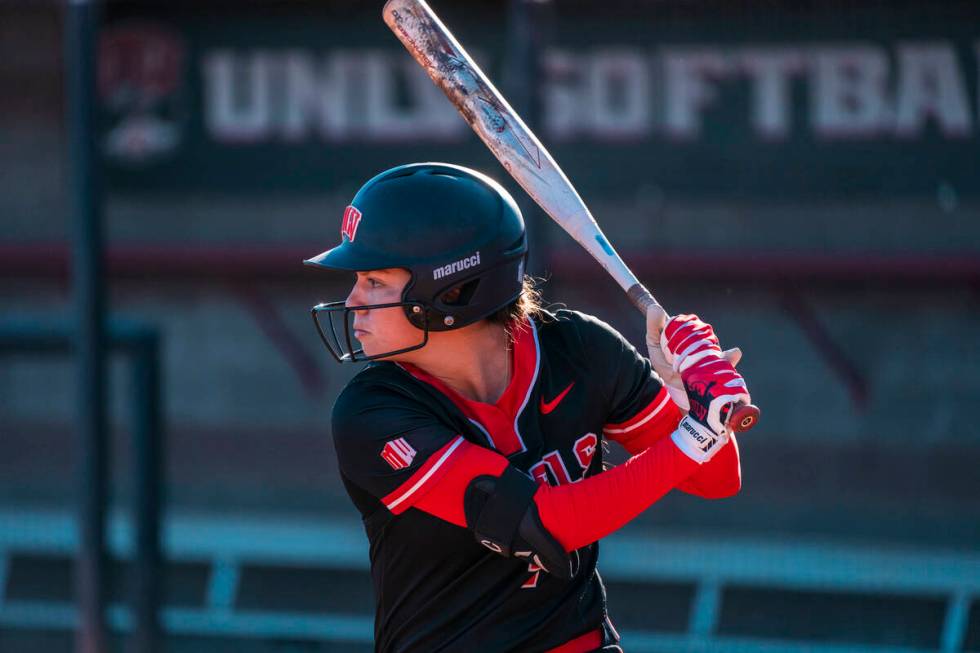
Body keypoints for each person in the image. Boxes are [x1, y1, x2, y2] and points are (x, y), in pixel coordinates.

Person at [305, 162, 751, 653]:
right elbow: (544, 524)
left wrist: (688, 404)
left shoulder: (578, 349)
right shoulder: (373, 413)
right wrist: (698, 433)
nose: (353, 301)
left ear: (451, 291)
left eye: (374, 281)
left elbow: (716, 479)